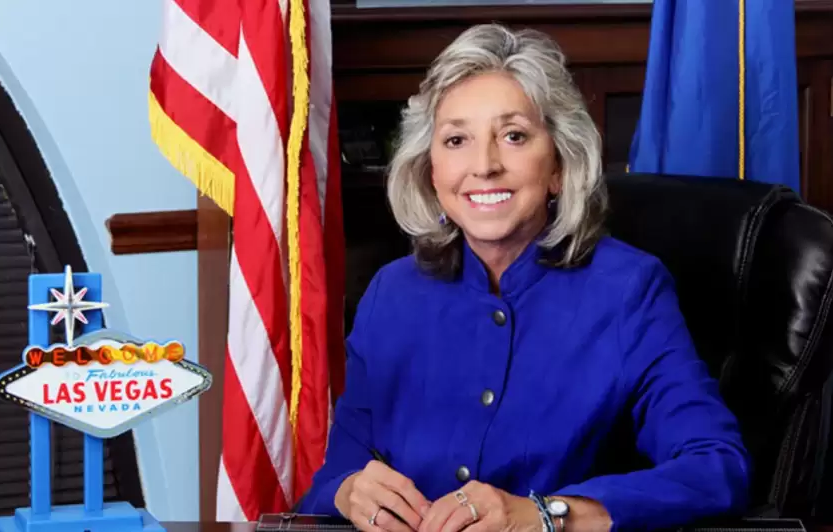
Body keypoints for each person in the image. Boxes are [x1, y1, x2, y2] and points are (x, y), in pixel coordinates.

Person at [298, 23, 750, 532]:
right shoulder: (391, 293)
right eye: (456, 140)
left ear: (558, 165)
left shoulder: (629, 291)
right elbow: (334, 479)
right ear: (431, 171)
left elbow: (716, 468)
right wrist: (349, 492)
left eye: (513, 136)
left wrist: (547, 515)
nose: (484, 165)